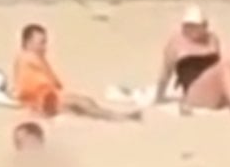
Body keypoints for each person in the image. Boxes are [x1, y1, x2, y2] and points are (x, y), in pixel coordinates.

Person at [11, 24, 142, 121]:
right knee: (83, 103)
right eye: (41, 43)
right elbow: (36, 85)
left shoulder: (30, 57)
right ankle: (121, 117)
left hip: (44, 99)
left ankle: (115, 116)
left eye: (45, 42)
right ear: (28, 42)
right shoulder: (28, 57)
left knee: (81, 107)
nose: (45, 47)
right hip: (42, 101)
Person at [155, 5, 230, 115]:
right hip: (195, 93)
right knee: (224, 65)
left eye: (194, 26)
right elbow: (166, 72)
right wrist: (158, 97)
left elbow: (222, 72)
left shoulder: (212, 39)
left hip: (215, 89)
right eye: (187, 26)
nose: (189, 29)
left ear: (204, 26)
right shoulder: (175, 43)